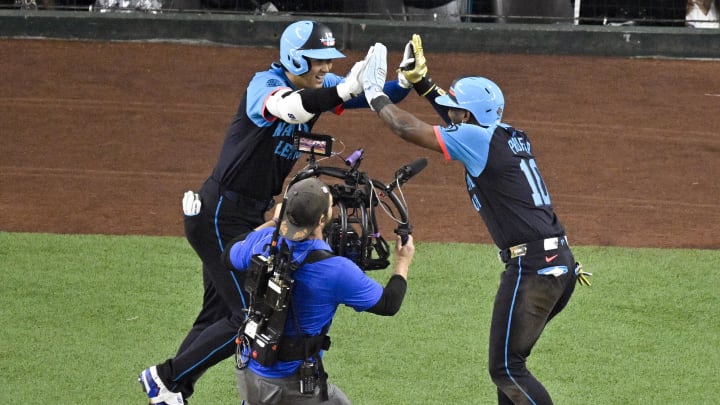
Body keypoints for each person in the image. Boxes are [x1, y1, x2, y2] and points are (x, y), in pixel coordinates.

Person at [138, 20, 428, 404]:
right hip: (222, 214)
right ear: (294, 57)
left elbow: (365, 95)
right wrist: (343, 88)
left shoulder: (317, 87)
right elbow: (287, 108)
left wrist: (405, 83)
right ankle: (166, 379)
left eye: (329, 60)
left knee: (218, 313)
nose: (326, 67)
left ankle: (174, 388)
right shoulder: (265, 83)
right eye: (318, 60)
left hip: (247, 215)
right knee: (251, 317)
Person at [361, 41, 590, 404]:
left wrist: (374, 94)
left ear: (467, 116)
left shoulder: (476, 138)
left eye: (456, 110)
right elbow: (462, 120)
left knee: (506, 370)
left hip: (532, 269)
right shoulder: (508, 133)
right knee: (511, 370)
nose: (450, 114)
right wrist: (422, 83)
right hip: (557, 264)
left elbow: (406, 128)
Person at [225, 177, 415, 404]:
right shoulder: (335, 270)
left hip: (250, 371)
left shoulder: (263, 241)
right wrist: (402, 263)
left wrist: (274, 223)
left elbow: (229, 253)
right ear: (322, 219)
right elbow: (388, 303)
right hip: (292, 388)